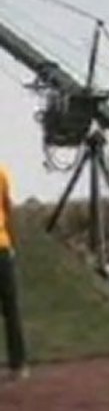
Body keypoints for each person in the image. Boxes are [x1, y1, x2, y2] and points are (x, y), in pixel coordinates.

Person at [0, 163, 27, 382]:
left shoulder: (1, 174)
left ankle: (18, 364)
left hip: (1, 247)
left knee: (11, 306)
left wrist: (12, 245)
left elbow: (7, 210)